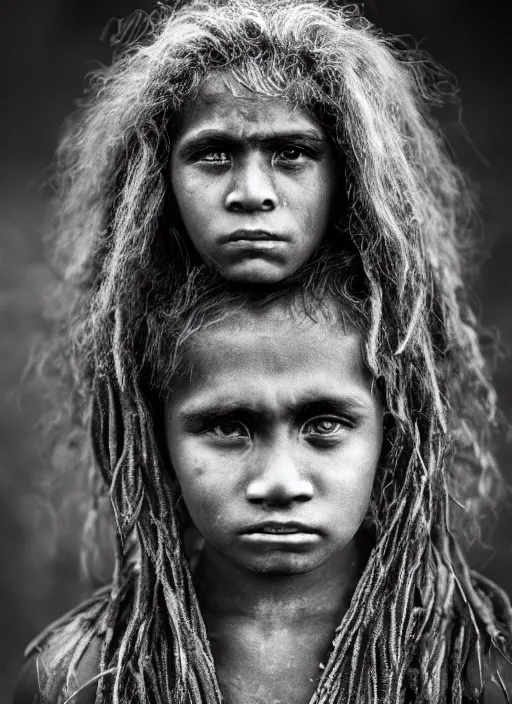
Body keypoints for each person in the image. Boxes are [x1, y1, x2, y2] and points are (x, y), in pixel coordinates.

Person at [13, 0, 512, 702]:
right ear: (151, 431)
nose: (251, 194)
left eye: (324, 426)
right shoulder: (87, 676)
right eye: (228, 426)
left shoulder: (475, 667)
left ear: (394, 427)